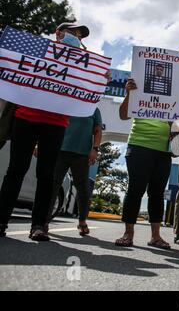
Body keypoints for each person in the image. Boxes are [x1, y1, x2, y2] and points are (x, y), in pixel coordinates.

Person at [0, 23, 90, 241]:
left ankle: (39, 225)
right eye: (72, 33)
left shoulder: (81, 63)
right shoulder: (39, 50)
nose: (76, 37)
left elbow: (86, 87)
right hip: (25, 118)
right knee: (16, 170)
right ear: (58, 33)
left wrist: (99, 79)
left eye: (79, 36)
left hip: (56, 124)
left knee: (46, 175)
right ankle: (1, 220)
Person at [115, 78, 172, 249]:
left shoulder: (171, 97)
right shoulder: (139, 92)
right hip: (139, 145)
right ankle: (128, 233)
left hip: (163, 150)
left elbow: (176, 123)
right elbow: (123, 115)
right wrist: (128, 94)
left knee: (157, 193)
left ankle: (156, 236)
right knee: (135, 189)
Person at [47, 107, 103, 236]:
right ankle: (44, 221)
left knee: (82, 189)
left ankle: (82, 220)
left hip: (82, 155)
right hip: (60, 151)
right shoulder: (68, 102)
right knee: (53, 186)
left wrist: (95, 149)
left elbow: (98, 130)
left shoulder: (94, 109)